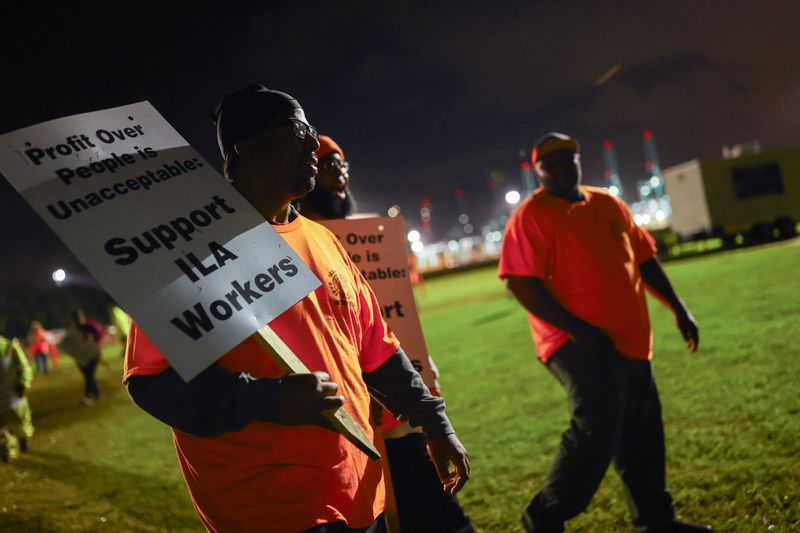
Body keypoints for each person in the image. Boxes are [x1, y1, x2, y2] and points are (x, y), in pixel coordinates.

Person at [123, 85, 469, 533]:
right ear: (245, 149)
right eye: (297, 129)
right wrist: (265, 400)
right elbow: (150, 383)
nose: (312, 141)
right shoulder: (188, 251)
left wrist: (432, 420)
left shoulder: (321, 239)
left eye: (312, 129)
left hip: (358, 487)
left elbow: (374, 349)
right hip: (269, 506)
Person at [499, 133, 711, 533]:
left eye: (567, 159)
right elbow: (521, 284)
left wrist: (679, 309)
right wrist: (578, 330)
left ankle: (655, 520)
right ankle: (545, 515)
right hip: (572, 343)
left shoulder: (609, 204)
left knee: (642, 429)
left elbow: (645, 260)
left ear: (579, 160)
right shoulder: (531, 216)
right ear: (537, 171)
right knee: (597, 423)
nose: (560, 168)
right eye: (550, 163)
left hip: (631, 340)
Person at [299, 134, 474, 533]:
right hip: (344, 396)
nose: (336, 171)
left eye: (340, 163)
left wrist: (419, 365)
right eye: (325, 164)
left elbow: (395, 310)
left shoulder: (370, 230)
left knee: (426, 489)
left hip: (395, 380)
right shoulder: (303, 239)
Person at [0, 335, 34, 462]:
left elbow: (24, 366)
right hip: (11, 397)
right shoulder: (10, 346)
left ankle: (23, 440)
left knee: (20, 422)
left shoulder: (9, 347)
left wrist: (23, 384)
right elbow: (24, 366)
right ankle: (8, 453)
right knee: (3, 429)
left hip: (13, 395)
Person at [63, 310, 104, 405]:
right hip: (81, 357)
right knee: (88, 376)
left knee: (89, 376)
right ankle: (97, 393)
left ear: (83, 316)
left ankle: (87, 396)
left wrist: (92, 336)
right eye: (76, 318)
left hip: (93, 355)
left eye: (80, 317)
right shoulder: (73, 330)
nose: (79, 320)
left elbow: (100, 335)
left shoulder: (91, 325)